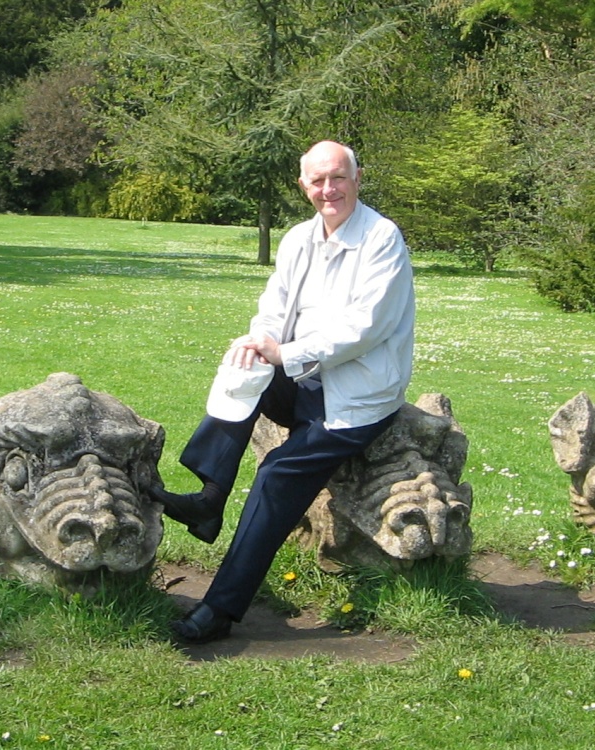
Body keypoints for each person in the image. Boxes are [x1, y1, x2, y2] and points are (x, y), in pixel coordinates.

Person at [150, 140, 415, 644]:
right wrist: (259, 341)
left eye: (337, 178)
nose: (328, 189)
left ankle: (220, 609)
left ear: (357, 179)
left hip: (356, 398)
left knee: (276, 473)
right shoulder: (298, 239)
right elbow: (274, 307)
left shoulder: (382, 239)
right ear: (303, 186)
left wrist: (286, 355)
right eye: (317, 181)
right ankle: (210, 497)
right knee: (240, 366)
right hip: (303, 378)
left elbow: (367, 327)